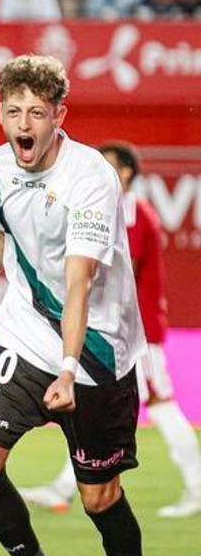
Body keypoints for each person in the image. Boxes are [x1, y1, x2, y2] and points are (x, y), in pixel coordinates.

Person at [0, 55, 159, 556]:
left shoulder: (91, 177)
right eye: (13, 111)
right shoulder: (0, 164)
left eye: (36, 112)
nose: (23, 123)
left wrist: (67, 369)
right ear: (0, 113)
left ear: (60, 116)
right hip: (24, 331)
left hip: (94, 351)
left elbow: (79, 281)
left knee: (99, 496)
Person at [19, 142, 201, 518]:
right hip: (114, 334)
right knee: (93, 411)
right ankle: (62, 487)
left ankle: (197, 485)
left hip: (137, 336)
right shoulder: (116, 210)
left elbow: (119, 269)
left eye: (108, 168)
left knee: (162, 406)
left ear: (126, 175)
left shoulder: (130, 211)